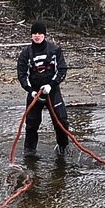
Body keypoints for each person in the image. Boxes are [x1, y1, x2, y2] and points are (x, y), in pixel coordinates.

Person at [16, 19, 71, 157]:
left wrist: (51, 85)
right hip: (35, 93)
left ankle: (63, 147)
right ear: (31, 36)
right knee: (31, 124)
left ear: (44, 35)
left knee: (61, 120)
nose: (37, 36)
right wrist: (30, 90)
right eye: (34, 33)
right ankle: (29, 152)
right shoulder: (25, 53)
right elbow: (22, 74)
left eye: (40, 33)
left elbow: (62, 70)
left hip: (52, 92)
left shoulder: (55, 50)